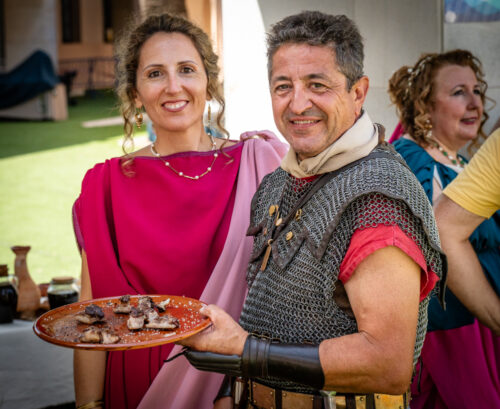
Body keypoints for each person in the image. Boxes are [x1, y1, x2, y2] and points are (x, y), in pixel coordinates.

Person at [146, 11, 446, 409]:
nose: (297, 103)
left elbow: (387, 363)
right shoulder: (280, 182)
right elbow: (266, 311)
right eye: (283, 86)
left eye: (317, 85)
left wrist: (244, 350)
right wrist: (231, 390)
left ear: (358, 92)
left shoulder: (378, 197)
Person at [72, 13, 286, 409]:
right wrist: (89, 405)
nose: (174, 86)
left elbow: (292, 297)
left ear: (208, 81)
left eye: (186, 69)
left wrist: (235, 391)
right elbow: (93, 316)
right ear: (135, 93)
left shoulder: (260, 164)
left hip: (239, 383)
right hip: (141, 389)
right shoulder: (105, 186)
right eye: (155, 74)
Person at [388, 50, 500, 409]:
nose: (474, 102)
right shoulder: (412, 161)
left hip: (481, 328)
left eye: (477, 91)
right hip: (448, 337)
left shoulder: (465, 162)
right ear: (425, 106)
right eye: (458, 92)